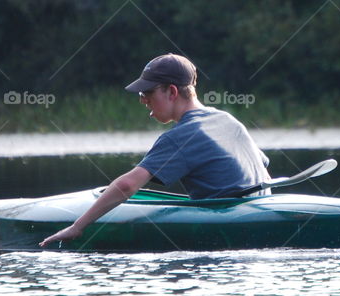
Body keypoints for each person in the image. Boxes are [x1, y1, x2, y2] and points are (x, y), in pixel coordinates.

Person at [39, 53, 270, 246]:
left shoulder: (180, 136)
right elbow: (262, 164)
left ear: (172, 92)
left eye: (147, 92)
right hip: (262, 210)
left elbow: (127, 186)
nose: (142, 100)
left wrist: (77, 227)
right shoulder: (227, 120)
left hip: (233, 221)